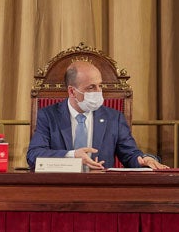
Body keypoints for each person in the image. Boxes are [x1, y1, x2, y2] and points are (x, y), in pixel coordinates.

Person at [27, 60, 168, 170]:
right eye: (91, 87)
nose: (98, 92)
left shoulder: (114, 118)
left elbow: (130, 155)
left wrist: (146, 159)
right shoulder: (49, 115)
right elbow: (34, 155)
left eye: (100, 86)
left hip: (102, 189)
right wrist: (72, 155)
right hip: (61, 188)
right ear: (72, 91)